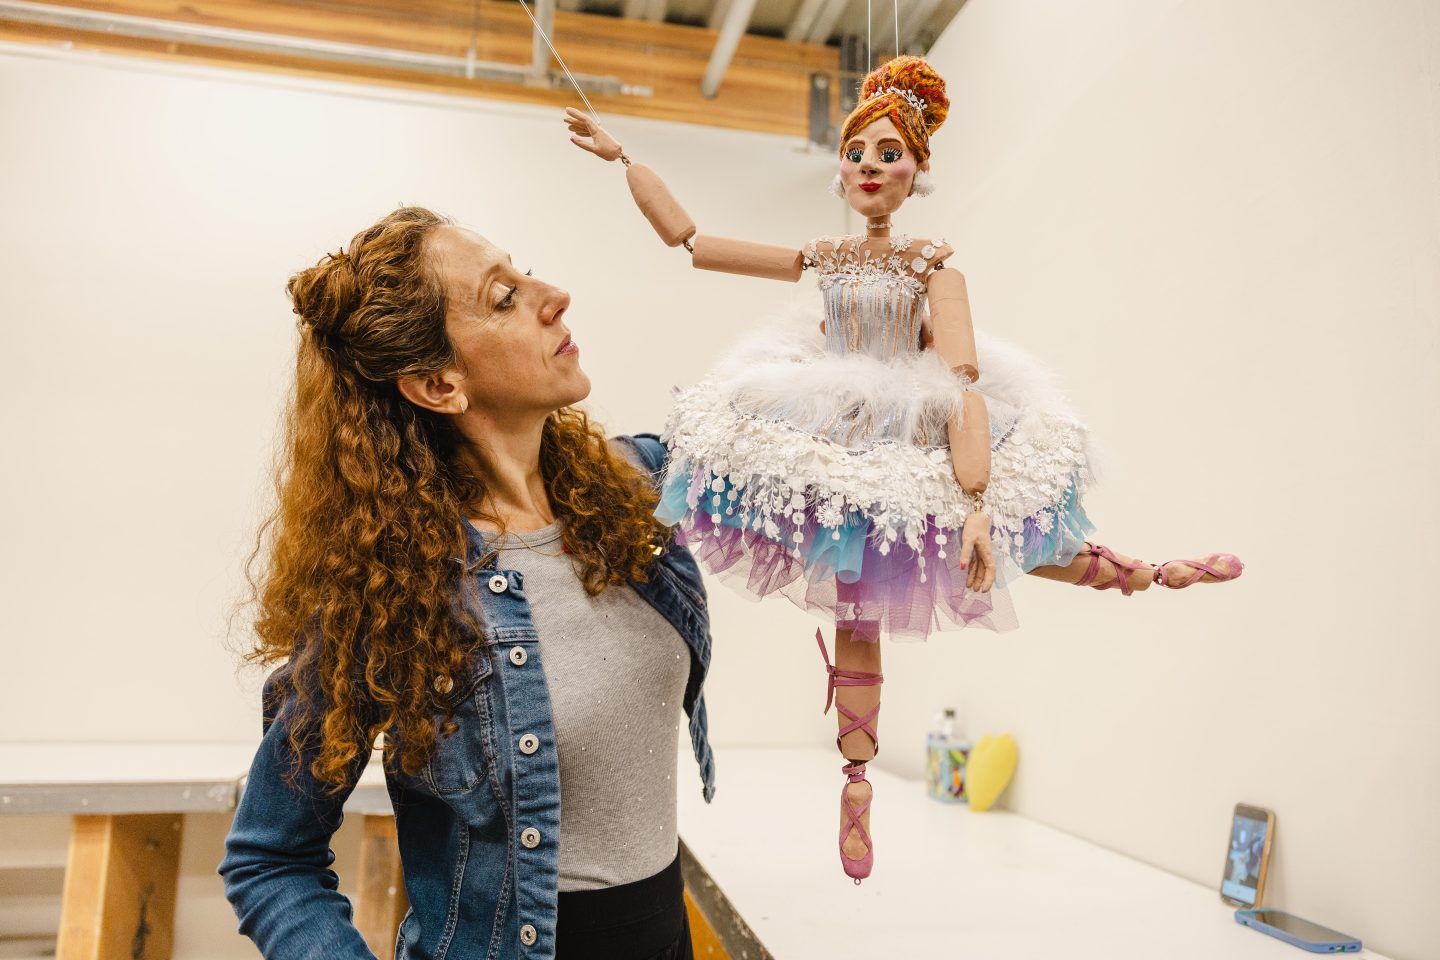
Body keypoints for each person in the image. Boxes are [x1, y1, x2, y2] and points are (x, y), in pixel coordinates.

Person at [563, 55, 1243, 883]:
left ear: (918, 170)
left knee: (1001, 540)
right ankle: (857, 779)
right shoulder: (825, 256)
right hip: (832, 418)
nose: (869, 168)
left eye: (889, 155)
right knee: (856, 594)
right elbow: (696, 242)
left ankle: (1141, 572)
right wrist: (624, 159)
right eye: (857, 153)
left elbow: (960, 383)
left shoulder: (933, 268)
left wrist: (980, 501)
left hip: (911, 420)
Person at [219, 206, 714, 960]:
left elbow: (818, 446)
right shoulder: (391, 591)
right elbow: (269, 858)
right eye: (504, 297)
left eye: (523, 274)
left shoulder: (636, 490)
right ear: (438, 384)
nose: (554, 295)